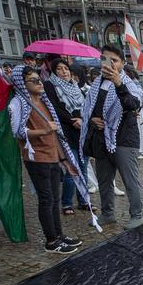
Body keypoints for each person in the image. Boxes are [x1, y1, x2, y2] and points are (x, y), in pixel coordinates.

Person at [8, 66, 83, 254]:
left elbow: (55, 133)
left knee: (55, 199)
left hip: (52, 156)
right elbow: (17, 132)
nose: (39, 83)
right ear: (23, 84)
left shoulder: (43, 101)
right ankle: (51, 240)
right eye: (33, 81)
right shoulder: (19, 103)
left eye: (39, 79)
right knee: (47, 198)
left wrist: (63, 158)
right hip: (36, 158)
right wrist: (43, 131)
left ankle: (59, 235)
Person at [79, 45, 143, 230]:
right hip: (102, 139)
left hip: (124, 140)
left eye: (114, 60)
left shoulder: (128, 84)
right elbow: (88, 109)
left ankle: (137, 215)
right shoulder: (96, 85)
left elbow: (132, 104)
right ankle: (108, 214)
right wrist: (92, 120)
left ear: (122, 63)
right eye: (105, 59)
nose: (109, 64)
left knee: (130, 181)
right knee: (104, 181)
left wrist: (118, 83)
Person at [44, 58, 87, 215]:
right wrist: (71, 120)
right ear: (54, 72)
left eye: (66, 68)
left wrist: (83, 120)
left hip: (81, 131)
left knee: (83, 167)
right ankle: (67, 202)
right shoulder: (50, 85)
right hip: (67, 131)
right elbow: (54, 108)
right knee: (71, 169)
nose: (64, 72)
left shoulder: (76, 87)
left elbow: (85, 107)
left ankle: (84, 200)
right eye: (60, 69)